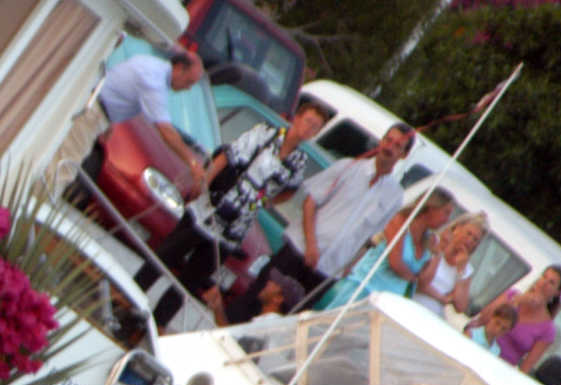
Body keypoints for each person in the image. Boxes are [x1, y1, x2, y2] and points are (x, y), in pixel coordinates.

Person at [138, 101, 328, 325]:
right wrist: (204, 181)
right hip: (212, 208)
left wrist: (266, 202)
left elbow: (290, 191)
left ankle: (155, 322)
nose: (309, 130)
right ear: (297, 118)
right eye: (308, 122)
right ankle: (130, 296)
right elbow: (227, 156)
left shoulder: (298, 162)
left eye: (315, 128)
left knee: (191, 280)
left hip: (235, 227)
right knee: (166, 255)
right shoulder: (264, 134)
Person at [262, 122, 413, 302]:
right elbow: (310, 202)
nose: (389, 147)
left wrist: (349, 267)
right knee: (255, 303)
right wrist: (311, 244)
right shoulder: (348, 167)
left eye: (397, 146)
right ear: (381, 141)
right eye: (388, 140)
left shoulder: (394, 196)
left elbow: (370, 239)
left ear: (404, 154)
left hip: (326, 272)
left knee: (284, 324)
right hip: (299, 251)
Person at [320, 190, 456, 308]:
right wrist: (413, 278)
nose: (447, 220)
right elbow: (395, 262)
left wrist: (438, 253)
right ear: (432, 207)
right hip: (365, 289)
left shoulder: (430, 240)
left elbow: (424, 282)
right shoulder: (400, 221)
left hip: (389, 302)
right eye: (446, 213)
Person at [99, 49, 208, 179]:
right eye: (188, 82)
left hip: (97, 108)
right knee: (68, 169)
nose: (188, 88)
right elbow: (165, 130)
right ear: (179, 68)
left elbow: (121, 91)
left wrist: (111, 121)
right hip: (94, 112)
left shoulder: (153, 65)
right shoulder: (155, 82)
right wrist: (193, 162)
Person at [466, 264, 561, 373]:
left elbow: (526, 367)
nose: (544, 283)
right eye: (544, 277)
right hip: (476, 350)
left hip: (498, 371)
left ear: (557, 292)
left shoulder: (547, 330)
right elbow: (483, 318)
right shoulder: (512, 296)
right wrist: (517, 301)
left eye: (551, 283)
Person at [414, 211, 485, 317]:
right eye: (468, 233)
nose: (469, 240)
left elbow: (460, 306)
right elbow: (419, 282)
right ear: (457, 228)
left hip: (433, 315)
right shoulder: (436, 244)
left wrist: (461, 271)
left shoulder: (467, 269)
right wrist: (442, 298)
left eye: (475, 239)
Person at [199, 271, 303, 327]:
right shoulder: (269, 322)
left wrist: (218, 309)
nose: (268, 283)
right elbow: (230, 339)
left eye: (275, 284)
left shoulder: (267, 324)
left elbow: (232, 346)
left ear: (278, 298)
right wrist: (218, 308)